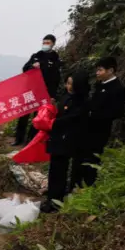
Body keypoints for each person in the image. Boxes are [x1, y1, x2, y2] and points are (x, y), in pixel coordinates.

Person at [73, 57, 125, 188]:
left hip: (100, 130)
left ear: (111, 70)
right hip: (88, 127)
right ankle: (77, 184)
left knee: (93, 157)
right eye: (96, 70)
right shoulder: (99, 85)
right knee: (82, 156)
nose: (97, 73)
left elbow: (117, 112)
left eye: (100, 70)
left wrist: (95, 115)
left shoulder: (118, 89)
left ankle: (88, 186)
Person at [41, 72, 91, 213]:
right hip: (57, 138)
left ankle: (55, 202)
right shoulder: (66, 97)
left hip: (68, 139)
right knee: (54, 169)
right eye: (67, 83)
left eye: (71, 83)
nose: (68, 86)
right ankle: (51, 196)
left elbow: (72, 119)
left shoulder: (82, 101)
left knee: (60, 170)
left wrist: (53, 122)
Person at [13, 34, 62, 146]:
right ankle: (18, 139)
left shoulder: (55, 59)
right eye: (44, 42)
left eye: (48, 43)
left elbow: (55, 79)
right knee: (23, 116)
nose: (45, 45)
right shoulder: (36, 55)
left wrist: (52, 95)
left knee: (38, 117)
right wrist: (32, 66)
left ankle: (30, 141)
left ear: (53, 44)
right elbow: (25, 69)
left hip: (43, 92)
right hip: (30, 91)